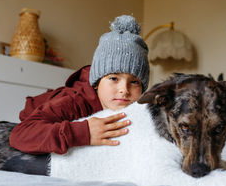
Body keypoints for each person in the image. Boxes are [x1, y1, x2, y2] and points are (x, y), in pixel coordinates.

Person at [9, 15, 150, 154]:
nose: (124, 90)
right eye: (113, 78)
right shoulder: (75, 101)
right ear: (97, 83)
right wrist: (83, 132)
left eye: (134, 82)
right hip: (35, 116)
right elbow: (20, 134)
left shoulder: (136, 106)